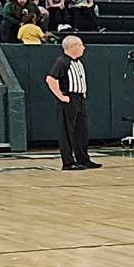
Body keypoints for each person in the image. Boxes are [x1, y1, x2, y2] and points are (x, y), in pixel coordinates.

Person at [47, 34, 97, 169]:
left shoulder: (78, 62)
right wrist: (61, 96)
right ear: (72, 47)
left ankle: (83, 159)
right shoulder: (62, 61)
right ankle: (68, 162)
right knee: (67, 131)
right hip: (69, 99)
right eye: (80, 45)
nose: (83, 48)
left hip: (80, 99)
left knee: (81, 130)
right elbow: (51, 79)